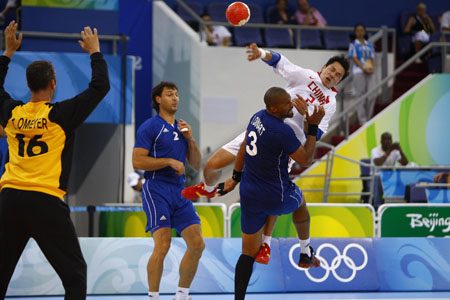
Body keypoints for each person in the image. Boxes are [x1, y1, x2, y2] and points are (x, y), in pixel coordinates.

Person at [182, 43, 349, 264]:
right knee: (212, 165)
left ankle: (266, 244)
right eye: (332, 70)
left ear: (339, 81)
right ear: (324, 67)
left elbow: (316, 132)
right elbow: (280, 61)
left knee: (276, 194)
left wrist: (306, 114)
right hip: (262, 129)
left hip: (285, 147)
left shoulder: (330, 103)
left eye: (338, 76)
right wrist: (260, 53)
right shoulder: (306, 76)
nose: (333, 76)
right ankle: (210, 189)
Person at [0, 22, 110, 299]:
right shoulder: (61, 115)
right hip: (45, 200)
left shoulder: (11, 113)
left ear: (27, 84)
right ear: (53, 83)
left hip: (9, 198)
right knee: (74, 276)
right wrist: (95, 52)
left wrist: (8, 52)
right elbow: (100, 86)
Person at [222, 87, 324, 300]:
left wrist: (235, 177)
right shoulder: (282, 131)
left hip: (249, 193)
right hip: (275, 196)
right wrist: (312, 127)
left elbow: (242, 149)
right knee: (300, 201)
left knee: (247, 252)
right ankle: (305, 252)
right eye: (287, 103)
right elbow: (306, 159)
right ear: (274, 108)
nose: (291, 105)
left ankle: (238, 298)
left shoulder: (257, 117)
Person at [132, 81, 204, 300]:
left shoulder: (181, 128)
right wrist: (169, 162)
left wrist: (190, 140)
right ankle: (153, 297)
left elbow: (197, 164)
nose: (175, 98)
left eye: (177, 94)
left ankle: (182, 295)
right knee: (163, 245)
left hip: (179, 192)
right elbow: (137, 161)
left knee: (198, 244)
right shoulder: (150, 126)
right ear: (158, 99)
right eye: (170, 94)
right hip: (156, 189)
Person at [370, 132, 408, 208]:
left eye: (389, 139)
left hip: (390, 176)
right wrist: (389, 151)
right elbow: (378, 163)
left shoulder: (395, 151)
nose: (387, 141)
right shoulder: (375, 150)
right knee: (378, 178)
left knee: (401, 178)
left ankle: (396, 206)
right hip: (377, 176)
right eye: (385, 139)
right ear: (381, 142)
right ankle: (377, 207)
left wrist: (400, 151)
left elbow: (405, 163)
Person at [348, 24, 376, 125]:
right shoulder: (353, 44)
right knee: (360, 95)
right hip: (359, 71)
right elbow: (354, 57)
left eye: (362, 30)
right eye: (358, 30)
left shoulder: (369, 44)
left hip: (370, 71)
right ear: (355, 32)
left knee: (372, 94)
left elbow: (373, 57)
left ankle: (369, 118)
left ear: (364, 32)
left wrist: (372, 67)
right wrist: (363, 68)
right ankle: (362, 120)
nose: (360, 32)